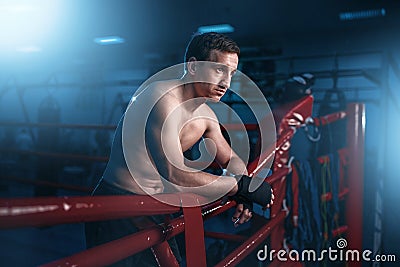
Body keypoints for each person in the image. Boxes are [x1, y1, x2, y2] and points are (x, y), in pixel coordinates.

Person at [85, 32, 274, 266]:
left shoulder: (206, 115)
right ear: (193, 66)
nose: (226, 82)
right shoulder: (161, 98)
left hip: (154, 207)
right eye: (218, 70)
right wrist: (239, 186)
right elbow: (173, 172)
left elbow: (231, 158)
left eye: (231, 73)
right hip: (119, 205)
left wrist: (245, 190)